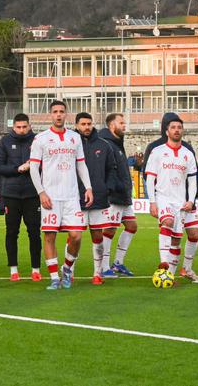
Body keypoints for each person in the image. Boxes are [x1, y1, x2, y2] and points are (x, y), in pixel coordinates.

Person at [29, 100, 93, 291]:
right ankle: (54, 277)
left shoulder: (75, 138)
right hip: (51, 196)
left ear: (66, 115)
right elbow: (33, 167)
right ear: (51, 115)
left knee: (76, 236)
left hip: (71, 196)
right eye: (55, 112)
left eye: (62, 112)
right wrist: (41, 192)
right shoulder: (41, 138)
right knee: (49, 236)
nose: (58, 115)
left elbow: (81, 164)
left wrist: (88, 187)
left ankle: (67, 268)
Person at [145, 116, 198, 283]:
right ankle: (164, 263)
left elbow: (192, 180)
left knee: (184, 237)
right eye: (173, 127)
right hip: (163, 198)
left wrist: (191, 201)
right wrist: (152, 202)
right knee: (167, 222)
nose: (177, 130)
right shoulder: (157, 152)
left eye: (179, 127)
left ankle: (179, 271)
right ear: (167, 131)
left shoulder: (188, 154)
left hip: (182, 201)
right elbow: (149, 179)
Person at [74, 112, 124, 286]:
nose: (86, 127)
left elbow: (112, 169)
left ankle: (97, 273)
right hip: (76, 199)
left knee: (97, 236)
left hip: (99, 199)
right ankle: (69, 272)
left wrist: (107, 187)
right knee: (75, 237)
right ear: (76, 125)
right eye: (83, 124)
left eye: (89, 123)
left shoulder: (103, 145)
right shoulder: (71, 143)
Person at [0, 114, 40, 281]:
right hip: (10, 194)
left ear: (29, 126)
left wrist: (32, 166)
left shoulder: (37, 140)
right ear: (13, 127)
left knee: (34, 232)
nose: (21, 130)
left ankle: (36, 269)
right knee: (12, 232)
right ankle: (13, 269)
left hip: (32, 194)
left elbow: (45, 163)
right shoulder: (5, 141)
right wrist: (17, 169)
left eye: (24, 127)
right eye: (18, 127)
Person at [98, 113, 138, 278]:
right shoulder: (106, 143)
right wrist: (112, 187)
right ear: (111, 125)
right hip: (113, 195)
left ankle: (118, 263)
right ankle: (103, 266)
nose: (124, 125)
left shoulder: (117, 143)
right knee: (109, 229)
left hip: (123, 194)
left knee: (132, 226)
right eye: (121, 123)